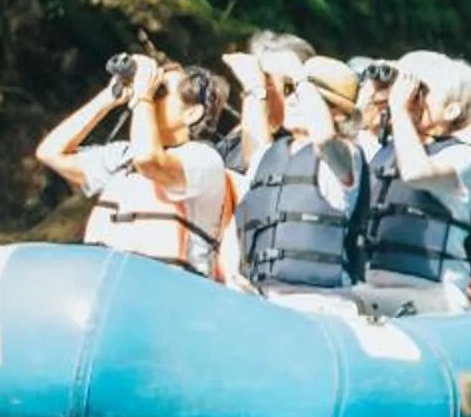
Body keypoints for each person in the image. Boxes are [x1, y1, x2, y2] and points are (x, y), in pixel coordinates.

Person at [32, 53, 235, 278]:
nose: (151, 94)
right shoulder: (125, 156)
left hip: (171, 293)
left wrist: (143, 97)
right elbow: (50, 153)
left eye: (161, 91)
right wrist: (109, 97)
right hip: (112, 284)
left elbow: (149, 161)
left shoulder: (203, 159)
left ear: (191, 114)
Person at [221, 56, 372, 300]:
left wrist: (301, 77)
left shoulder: (345, 156)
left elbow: (323, 138)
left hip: (321, 302)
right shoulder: (269, 156)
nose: (293, 100)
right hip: (262, 298)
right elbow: (239, 223)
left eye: (305, 95)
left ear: (339, 115)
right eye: (290, 91)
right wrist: (230, 272)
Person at [357, 52, 471, 312]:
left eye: (421, 91)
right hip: (375, 288)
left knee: (352, 306)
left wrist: (399, 109)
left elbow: (415, 172)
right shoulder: (383, 150)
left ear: (451, 110)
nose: (411, 97)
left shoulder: (463, 155)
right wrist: (372, 97)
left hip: (434, 294)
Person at [219, 30, 316, 171]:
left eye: (266, 78)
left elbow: (257, 165)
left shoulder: (298, 137)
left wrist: (255, 89)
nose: (260, 83)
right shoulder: (244, 127)